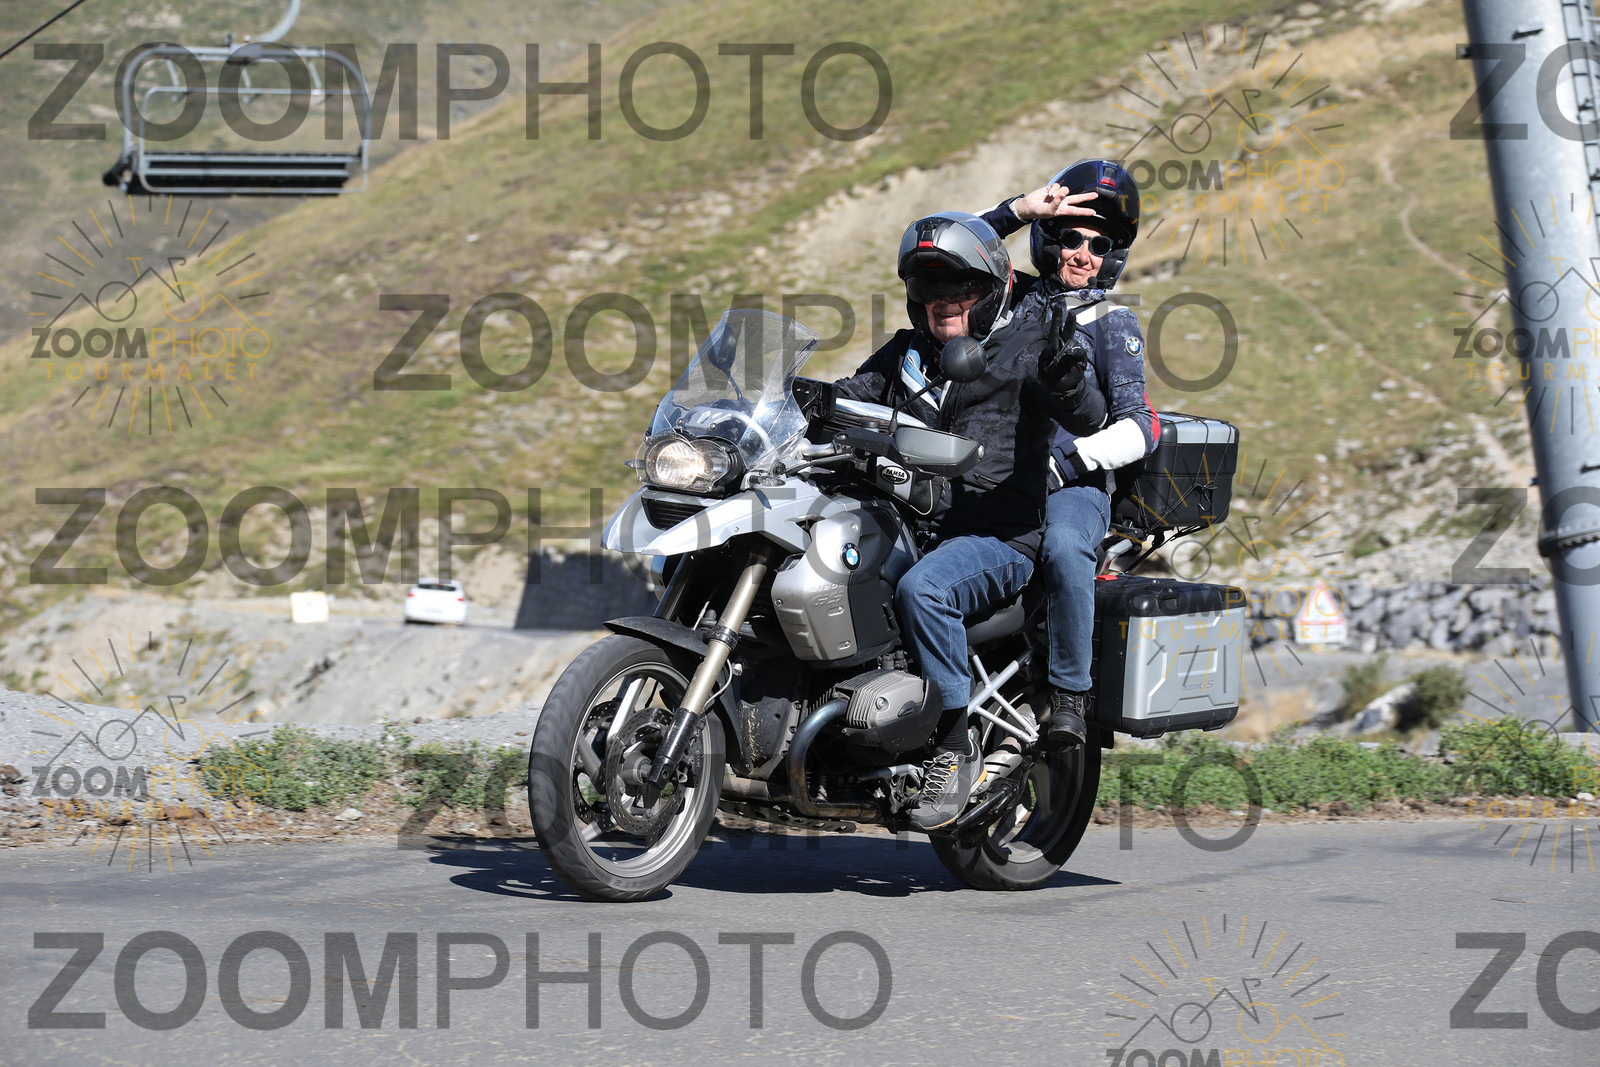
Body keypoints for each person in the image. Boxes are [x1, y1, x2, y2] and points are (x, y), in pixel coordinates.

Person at [832, 211, 1106, 831]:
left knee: (923, 589)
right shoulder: (906, 355)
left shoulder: (1028, 349)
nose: (943, 300)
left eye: (960, 288)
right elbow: (848, 395)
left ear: (990, 291)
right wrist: (790, 401)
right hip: (911, 523)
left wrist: (1068, 379)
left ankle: (952, 748)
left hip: (998, 536)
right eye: (929, 287)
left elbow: (1087, 416)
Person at [977, 160, 1159, 747]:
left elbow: (1143, 425)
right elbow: (949, 253)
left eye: (1099, 245)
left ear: (1113, 257)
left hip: (1071, 485)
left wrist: (1069, 463)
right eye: (1073, 238)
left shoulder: (1112, 321)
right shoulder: (1009, 299)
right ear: (1049, 239)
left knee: (1062, 546)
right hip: (990, 472)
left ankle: (1069, 698)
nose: (1083, 254)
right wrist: (1017, 211)